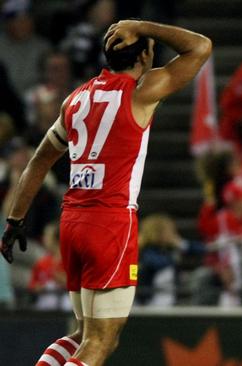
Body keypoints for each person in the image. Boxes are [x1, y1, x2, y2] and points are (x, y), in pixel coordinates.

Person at [1, 19, 211, 366]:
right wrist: (142, 25)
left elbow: (37, 163)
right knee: (101, 342)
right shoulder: (143, 91)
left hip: (72, 222)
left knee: (84, 336)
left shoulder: (75, 99)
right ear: (144, 54)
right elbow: (200, 46)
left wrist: (15, 219)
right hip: (110, 223)